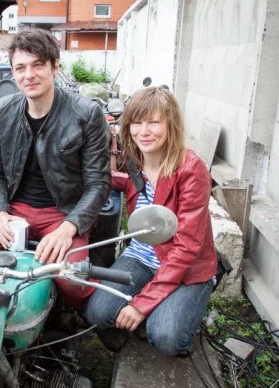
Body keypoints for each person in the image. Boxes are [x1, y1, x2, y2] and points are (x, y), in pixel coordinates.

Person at [0, 29, 111, 309]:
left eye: (38, 65)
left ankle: (75, 315)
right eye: (20, 68)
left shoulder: (86, 114)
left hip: (64, 212)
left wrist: (68, 228)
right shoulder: (1, 110)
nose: (29, 75)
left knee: (73, 280)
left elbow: (98, 184)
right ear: (12, 73)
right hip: (15, 212)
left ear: (55, 66)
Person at [83, 87, 217, 356]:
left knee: (167, 337)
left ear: (171, 125)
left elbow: (187, 248)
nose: (143, 131)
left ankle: (167, 310)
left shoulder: (191, 168)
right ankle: (148, 313)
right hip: (143, 256)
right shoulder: (134, 160)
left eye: (154, 122)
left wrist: (142, 304)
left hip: (185, 267)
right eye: (137, 122)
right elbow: (129, 184)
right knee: (97, 312)